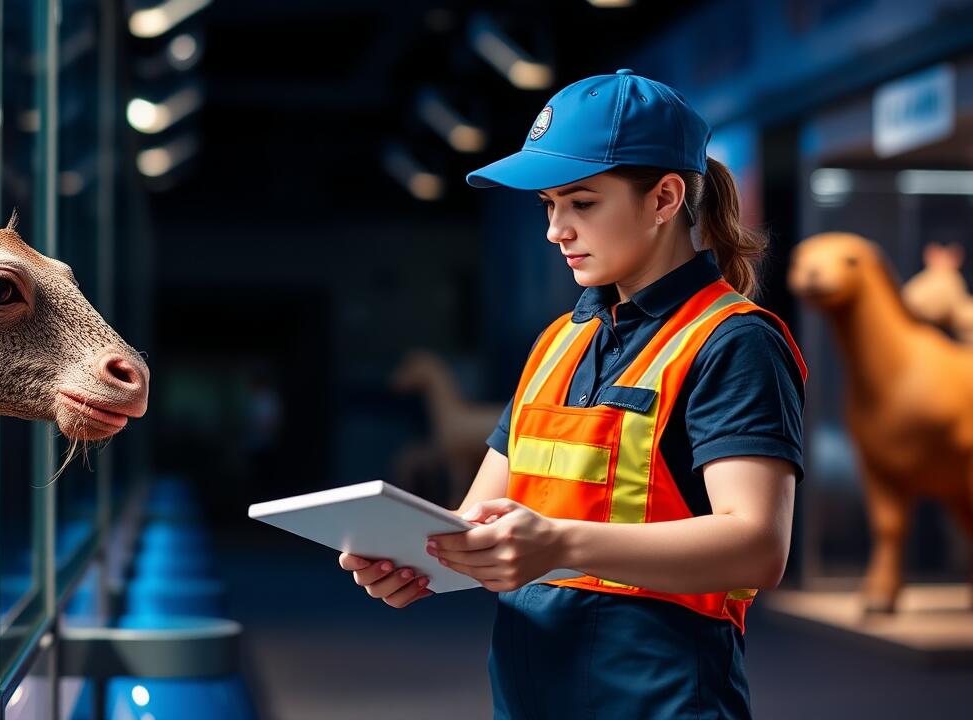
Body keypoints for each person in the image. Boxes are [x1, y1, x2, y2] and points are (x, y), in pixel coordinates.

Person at [338, 68, 807, 718]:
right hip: (529, 692)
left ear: (665, 198)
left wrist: (559, 544)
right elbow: (481, 516)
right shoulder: (558, 341)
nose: (556, 229)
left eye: (582, 203)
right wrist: (415, 561)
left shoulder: (734, 341)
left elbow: (757, 547)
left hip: (661, 699)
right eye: (549, 206)